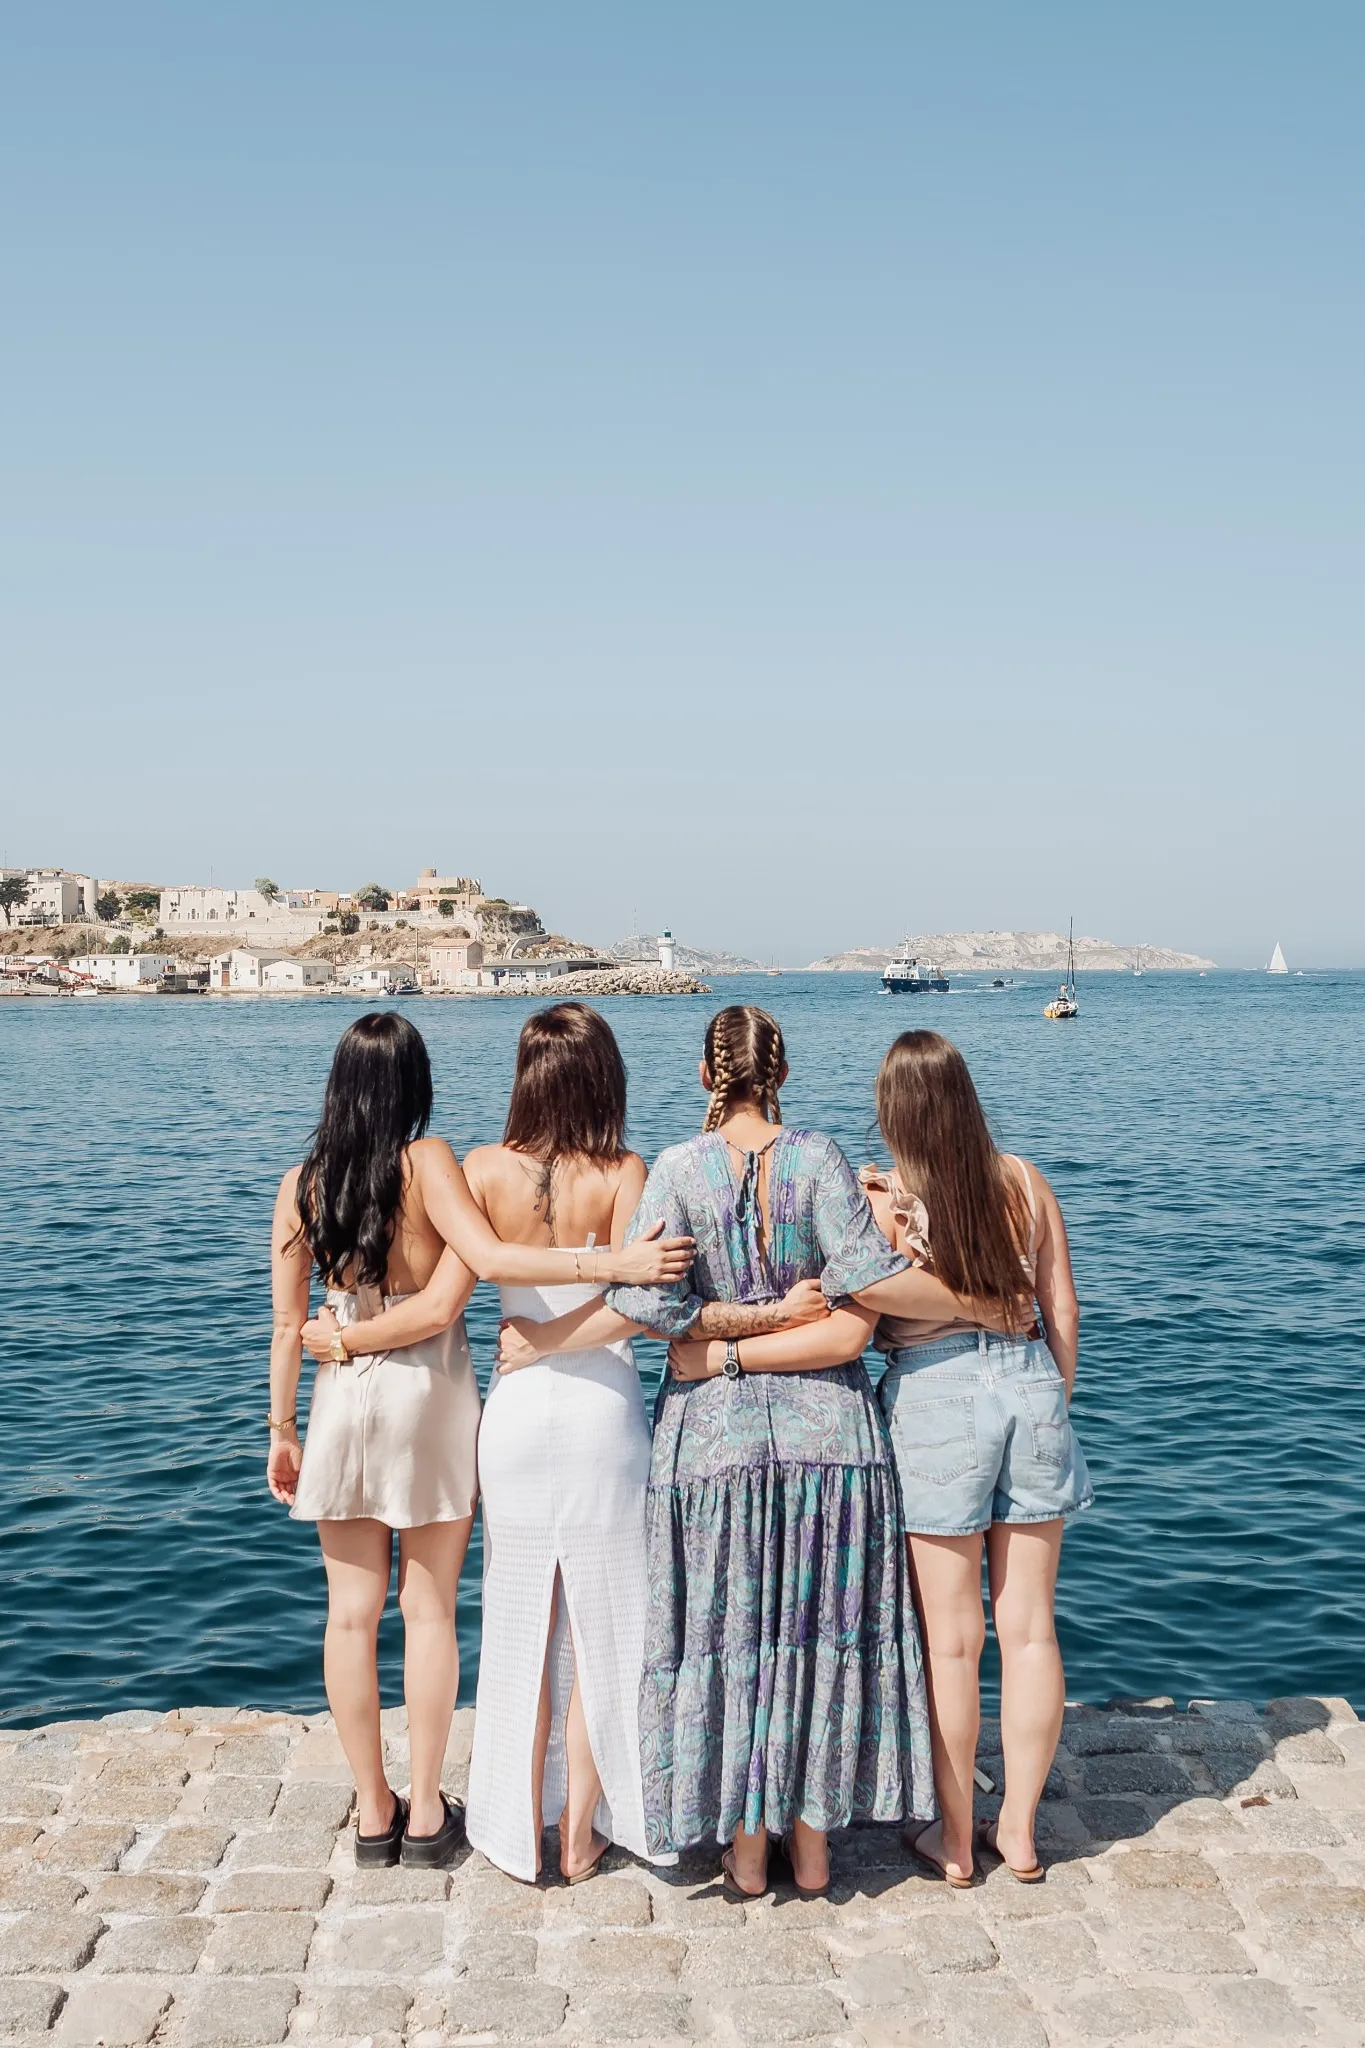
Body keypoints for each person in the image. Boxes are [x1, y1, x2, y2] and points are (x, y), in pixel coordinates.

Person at [502, 1005, 1000, 1898]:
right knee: (816, 1636)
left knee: (728, 1640)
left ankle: (742, 1848)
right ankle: (810, 1848)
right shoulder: (822, 1162)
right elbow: (864, 1302)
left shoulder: (676, 1170)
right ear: (781, 1074)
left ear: (705, 1076)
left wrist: (718, 1335)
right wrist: (975, 1304)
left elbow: (654, 1311)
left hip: (711, 1443)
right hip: (833, 1442)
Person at [267, 1011, 694, 1870]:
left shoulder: (315, 1182)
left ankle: (379, 1810)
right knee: (487, 1615)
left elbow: (290, 1324)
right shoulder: (451, 1163)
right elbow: (459, 1292)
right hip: (482, 1400)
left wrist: (284, 1422)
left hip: (367, 1403)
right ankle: (469, 1815)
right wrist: (607, 1265)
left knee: (367, 1618)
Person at [862, 1029, 1091, 1887]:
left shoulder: (883, 1198)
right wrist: (1049, 1392)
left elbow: (865, 1297)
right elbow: (1061, 1306)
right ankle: (1022, 1833)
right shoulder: (1023, 1181)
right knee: (1029, 1628)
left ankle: (955, 1840)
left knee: (950, 1642)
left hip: (931, 1401)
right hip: (1030, 1391)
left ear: (892, 1110)